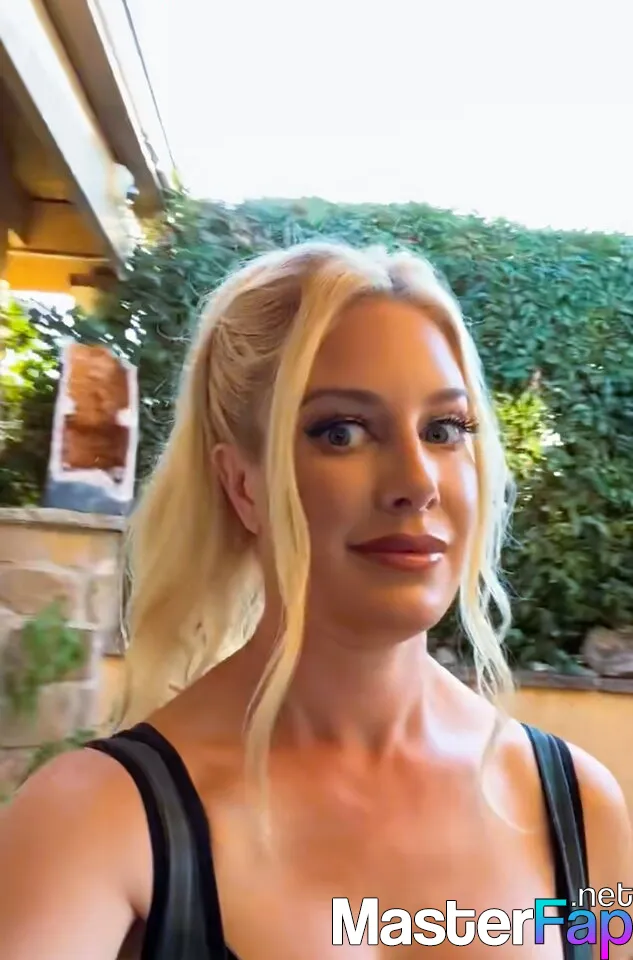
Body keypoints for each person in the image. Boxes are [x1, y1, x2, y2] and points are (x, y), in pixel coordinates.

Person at [0, 241, 631, 959]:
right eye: (342, 432)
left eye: (443, 430)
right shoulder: (94, 820)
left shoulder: (584, 812)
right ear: (242, 485)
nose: (417, 482)